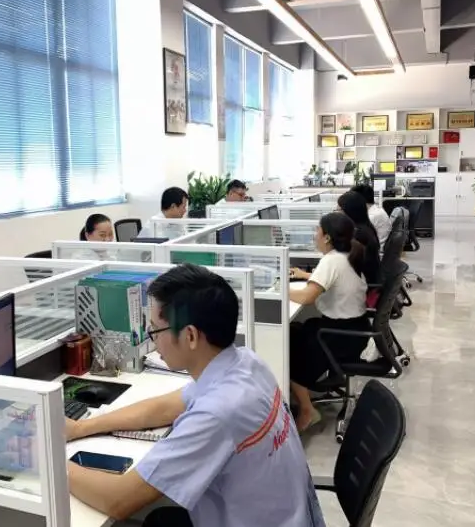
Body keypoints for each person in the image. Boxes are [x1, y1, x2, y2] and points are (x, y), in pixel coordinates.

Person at [65, 264, 326, 527]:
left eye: (155, 330)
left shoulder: (218, 414)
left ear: (190, 335)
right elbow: (165, 407)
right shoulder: (246, 363)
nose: (152, 340)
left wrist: (50, 461)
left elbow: (118, 501)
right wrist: (81, 427)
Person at [288, 212, 370, 432]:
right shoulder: (347, 254)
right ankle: (307, 392)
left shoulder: (331, 260)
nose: (314, 234)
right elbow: (335, 279)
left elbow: (307, 298)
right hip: (354, 330)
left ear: (327, 237)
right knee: (296, 329)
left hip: (339, 337)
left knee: (286, 349)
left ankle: (307, 411)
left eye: (318, 230)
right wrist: (306, 276)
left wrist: (280, 289)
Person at [337, 191, 381, 285]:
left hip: (364, 286)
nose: (337, 214)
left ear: (349, 211)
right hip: (368, 281)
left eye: (339, 210)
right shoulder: (365, 228)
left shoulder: (358, 235)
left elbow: (346, 271)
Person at [352, 183, 391, 249]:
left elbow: (359, 238)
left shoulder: (372, 216)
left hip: (374, 251)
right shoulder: (376, 210)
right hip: (375, 248)